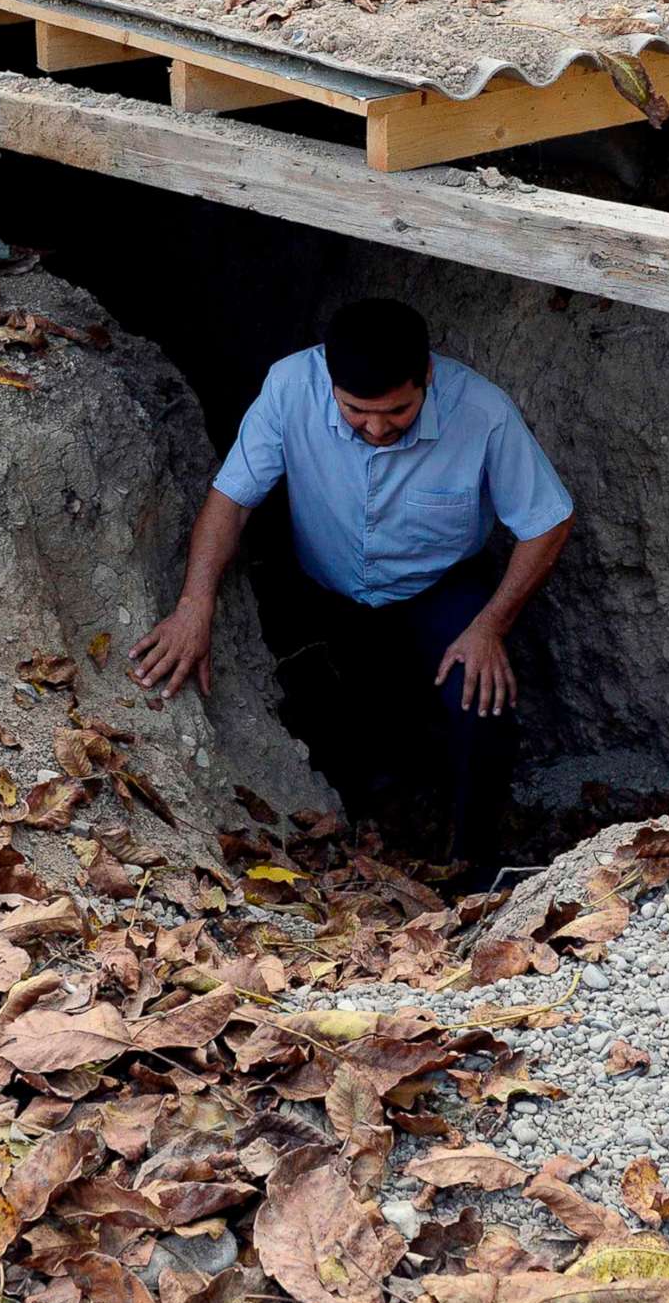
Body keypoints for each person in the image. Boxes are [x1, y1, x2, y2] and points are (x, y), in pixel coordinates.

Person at [131, 298, 573, 876]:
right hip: (323, 590)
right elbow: (232, 500)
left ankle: (476, 862)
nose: (377, 428)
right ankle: (351, 831)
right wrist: (195, 606)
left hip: (439, 590)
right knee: (329, 713)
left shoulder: (482, 413)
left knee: (480, 697)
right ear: (329, 380)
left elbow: (547, 521)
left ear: (428, 378)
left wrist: (490, 626)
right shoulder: (291, 387)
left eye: (397, 411)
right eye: (358, 412)